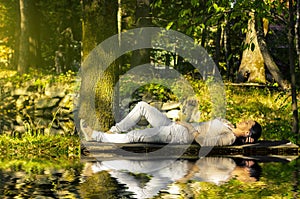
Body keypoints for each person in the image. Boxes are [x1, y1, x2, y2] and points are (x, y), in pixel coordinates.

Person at [80, 101, 262, 146]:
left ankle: (95, 136)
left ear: (247, 133)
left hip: (180, 135)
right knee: (143, 106)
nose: (244, 120)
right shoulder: (229, 126)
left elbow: (203, 143)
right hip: (177, 128)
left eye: (247, 123)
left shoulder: (229, 138)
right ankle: (113, 131)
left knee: (136, 136)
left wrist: (187, 126)